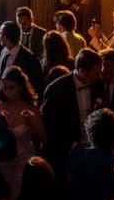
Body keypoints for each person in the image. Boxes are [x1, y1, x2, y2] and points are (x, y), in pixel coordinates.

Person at [40, 48, 104, 181]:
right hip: (65, 151)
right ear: (82, 71)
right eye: (96, 72)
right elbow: (49, 124)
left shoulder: (98, 85)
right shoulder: (56, 89)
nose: (99, 75)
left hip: (92, 148)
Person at [0, 66, 45, 200]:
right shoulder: (0, 107)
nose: (7, 91)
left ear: (20, 87)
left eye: (11, 87)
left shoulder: (30, 109)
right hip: (3, 163)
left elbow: (42, 137)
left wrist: (34, 123)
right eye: (5, 87)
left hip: (22, 163)